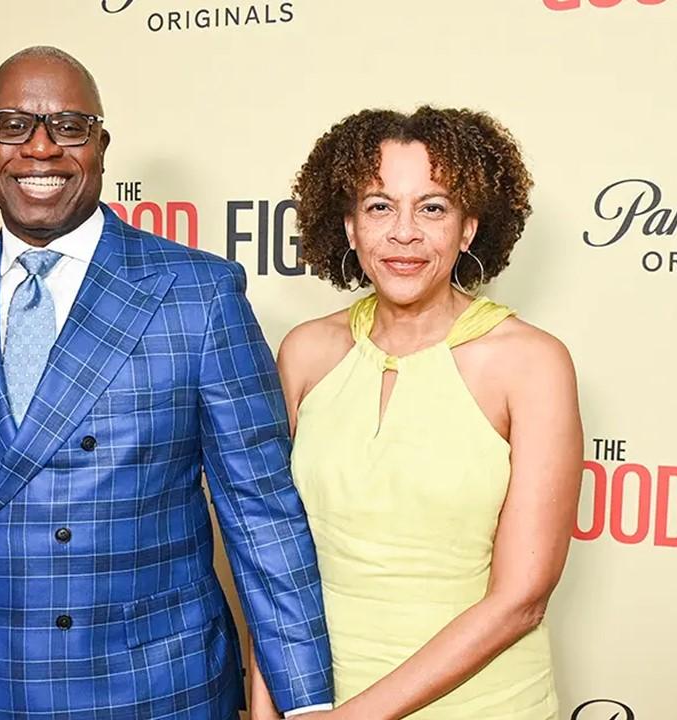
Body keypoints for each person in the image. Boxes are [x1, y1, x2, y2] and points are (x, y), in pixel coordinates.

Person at [0, 46, 333, 719]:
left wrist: (308, 704)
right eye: (13, 125)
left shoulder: (197, 296)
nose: (40, 149)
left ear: (102, 145)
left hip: (156, 693)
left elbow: (262, 515)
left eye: (70, 127)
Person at [249, 107, 582, 719]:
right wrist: (269, 707)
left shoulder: (532, 363)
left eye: (432, 207)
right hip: (317, 701)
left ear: (469, 228)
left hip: (482, 705)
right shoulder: (304, 352)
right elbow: (273, 559)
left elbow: (521, 599)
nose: (404, 233)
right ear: (349, 227)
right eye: (379, 206)